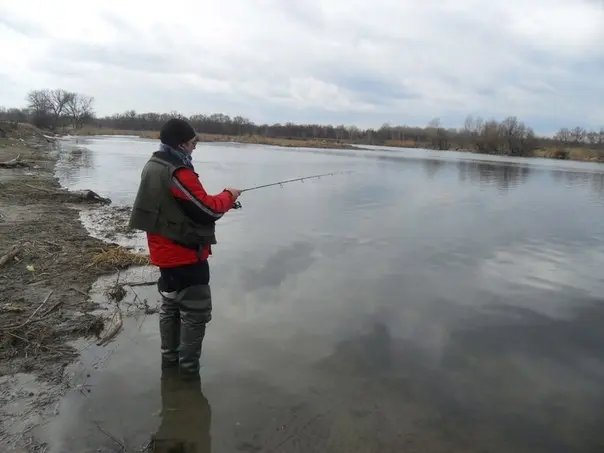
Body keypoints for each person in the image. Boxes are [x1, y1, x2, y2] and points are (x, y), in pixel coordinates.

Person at [129, 118, 241, 381]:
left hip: (164, 253)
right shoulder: (178, 171)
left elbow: (184, 205)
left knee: (170, 305)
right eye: (193, 143)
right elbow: (208, 210)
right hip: (185, 255)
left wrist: (222, 201)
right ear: (181, 143)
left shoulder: (153, 165)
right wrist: (229, 195)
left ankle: (169, 369)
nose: (194, 147)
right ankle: (189, 378)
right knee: (195, 313)